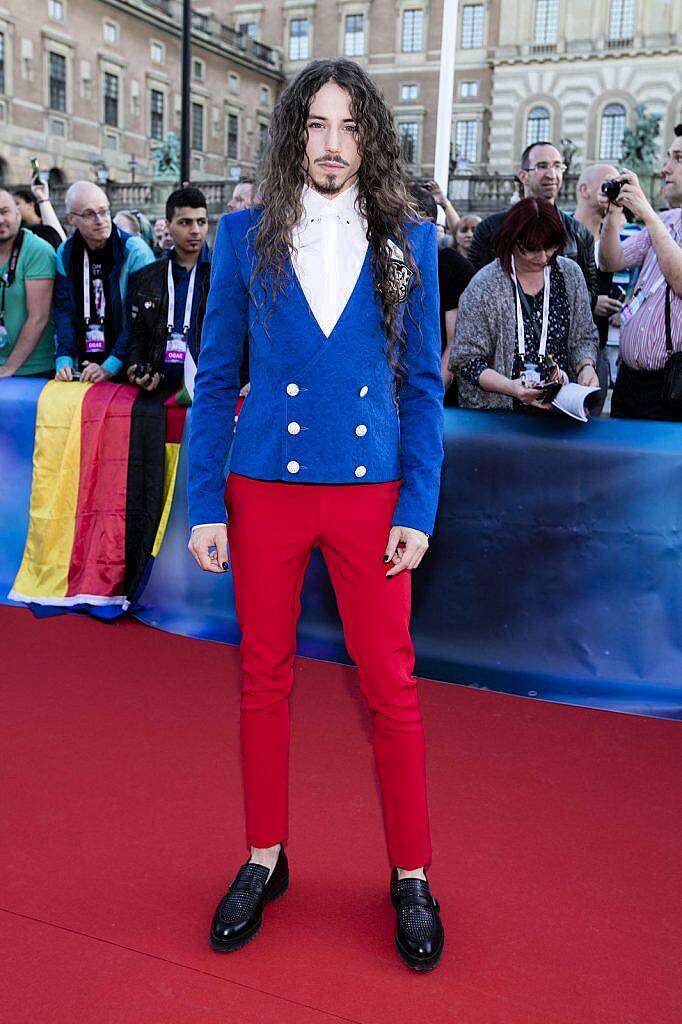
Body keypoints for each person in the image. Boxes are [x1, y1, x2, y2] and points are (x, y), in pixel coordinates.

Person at [187, 57, 445, 971]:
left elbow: (422, 386)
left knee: (392, 687)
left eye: (349, 127)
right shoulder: (242, 234)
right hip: (263, 491)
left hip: (373, 496)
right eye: (316, 126)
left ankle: (411, 875)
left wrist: (419, 500)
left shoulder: (404, 239)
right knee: (264, 676)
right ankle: (266, 857)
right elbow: (215, 379)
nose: (333, 146)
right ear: (294, 134)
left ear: (367, 137)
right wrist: (204, 503)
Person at [452, 197, 599, 410]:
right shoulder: (485, 285)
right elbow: (466, 360)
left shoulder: (570, 275)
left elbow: (583, 336)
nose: (543, 256)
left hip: (560, 410)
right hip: (500, 416)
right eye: (532, 249)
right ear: (513, 241)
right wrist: (510, 387)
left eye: (551, 247)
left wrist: (586, 366)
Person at [598, 133, 682, 421]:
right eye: (669, 157)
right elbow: (611, 261)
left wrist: (646, 212)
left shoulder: (655, 220)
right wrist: (612, 214)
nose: (665, 168)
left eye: (678, 159)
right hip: (630, 382)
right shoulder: (666, 220)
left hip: (672, 387)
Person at [468, 142, 598, 306]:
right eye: (542, 166)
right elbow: (473, 286)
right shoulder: (490, 228)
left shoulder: (579, 232)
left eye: (558, 166)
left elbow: (590, 291)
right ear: (523, 176)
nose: (552, 174)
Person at [53, 181, 154, 383]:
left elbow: (140, 319)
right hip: (82, 365)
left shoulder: (135, 251)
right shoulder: (65, 252)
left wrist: (110, 366)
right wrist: (64, 360)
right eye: (90, 214)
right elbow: (64, 313)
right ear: (71, 219)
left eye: (104, 211)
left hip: (126, 366)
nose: (101, 220)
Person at [127, 187, 211, 393]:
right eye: (185, 222)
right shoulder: (148, 276)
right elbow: (137, 333)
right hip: (158, 389)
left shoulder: (221, 275)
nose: (195, 231)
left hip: (207, 388)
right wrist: (137, 368)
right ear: (167, 225)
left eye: (201, 222)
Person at [408, 182, 474, 405]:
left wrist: (428, 396)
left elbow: (454, 343)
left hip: (437, 398)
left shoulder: (455, 268)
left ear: (431, 226)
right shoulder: (381, 262)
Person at [573, 163, 625, 414]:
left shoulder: (615, 240)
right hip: (564, 353)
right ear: (584, 189)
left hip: (600, 349)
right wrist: (592, 302)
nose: (614, 189)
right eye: (608, 183)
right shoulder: (559, 234)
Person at [0, 190, 56, 378]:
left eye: (4, 212)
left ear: (18, 213)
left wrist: (9, 368)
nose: (0, 220)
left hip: (33, 369)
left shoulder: (37, 250)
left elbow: (38, 317)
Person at [13, 183, 64, 250]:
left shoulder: (49, 224)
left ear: (30, 205)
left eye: (17, 203)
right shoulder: (17, 231)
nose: (14, 208)